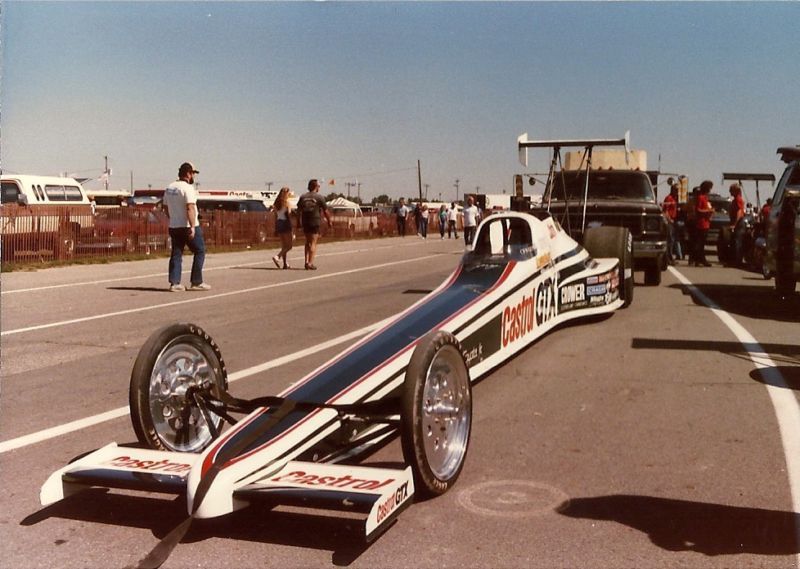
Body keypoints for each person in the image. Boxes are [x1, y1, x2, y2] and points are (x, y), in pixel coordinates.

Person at [163, 162, 210, 291]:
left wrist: (173, 217)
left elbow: (165, 207)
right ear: (188, 174)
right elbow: (190, 207)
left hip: (174, 226)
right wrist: (192, 226)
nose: (194, 176)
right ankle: (196, 281)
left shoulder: (170, 187)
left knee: (177, 253)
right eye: (193, 173)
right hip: (187, 225)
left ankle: (175, 282)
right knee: (200, 251)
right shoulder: (188, 188)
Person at [296, 179, 331, 270]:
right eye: (318, 186)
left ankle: (306, 261)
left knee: (307, 242)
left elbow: (298, 211)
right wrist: (329, 221)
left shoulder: (303, 197)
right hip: (315, 221)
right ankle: (310, 263)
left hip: (305, 221)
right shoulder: (319, 197)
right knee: (313, 242)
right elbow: (326, 211)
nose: (319, 188)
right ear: (315, 186)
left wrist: (298, 222)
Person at [693, 180, 714, 267]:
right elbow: (698, 210)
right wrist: (708, 211)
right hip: (701, 223)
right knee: (700, 243)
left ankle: (699, 259)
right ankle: (700, 259)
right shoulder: (700, 197)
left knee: (702, 243)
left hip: (706, 222)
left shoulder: (705, 198)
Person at [272, 187, 294, 269]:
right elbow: (288, 214)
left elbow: (275, 216)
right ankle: (277, 256)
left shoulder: (276, 204)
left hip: (279, 222)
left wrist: (275, 227)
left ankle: (285, 263)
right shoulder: (287, 203)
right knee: (289, 246)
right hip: (285, 223)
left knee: (284, 245)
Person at [727, 183, 746, 266]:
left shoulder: (738, 200)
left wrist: (735, 224)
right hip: (735, 222)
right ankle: (734, 260)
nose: (730, 192)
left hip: (739, 222)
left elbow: (739, 212)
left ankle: (737, 261)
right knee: (734, 241)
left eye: (731, 190)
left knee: (737, 242)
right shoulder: (735, 200)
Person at [662, 184, 681, 263]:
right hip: (669, 220)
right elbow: (665, 210)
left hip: (674, 220)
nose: (677, 192)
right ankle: (668, 258)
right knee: (669, 240)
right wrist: (669, 219)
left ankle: (670, 257)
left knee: (672, 240)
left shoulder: (675, 198)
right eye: (676, 190)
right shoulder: (669, 198)